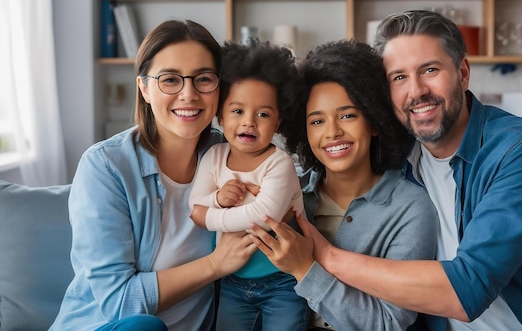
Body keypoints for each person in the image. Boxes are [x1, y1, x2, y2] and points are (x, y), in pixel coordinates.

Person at [253, 10, 522, 330]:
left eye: (430, 70)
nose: (416, 91)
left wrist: (324, 256)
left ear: (463, 73)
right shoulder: (398, 156)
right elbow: (330, 154)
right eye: (399, 77)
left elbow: (468, 290)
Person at [50, 19, 257, 331]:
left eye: (203, 79)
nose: (188, 94)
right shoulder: (105, 166)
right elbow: (118, 303)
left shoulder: (230, 156)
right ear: (144, 88)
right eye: (170, 80)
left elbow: (280, 178)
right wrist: (216, 264)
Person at [248, 39, 438, 330]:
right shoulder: (289, 193)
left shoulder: (410, 208)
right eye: (317, 121)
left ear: (374, 122)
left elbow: (389, 323)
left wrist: (304, 269)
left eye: (347, 116)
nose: (333, 133)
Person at [188, 39, 309, 331]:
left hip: (282, 281)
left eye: (263, 114)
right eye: (237, 111)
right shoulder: (215, 156)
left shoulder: (278, 163)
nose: (249, 122)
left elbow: (262, 218)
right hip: (232, 282)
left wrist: (211, 215)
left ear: (278, 122)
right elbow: (195, 205)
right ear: (219, 115)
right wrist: (218, 198)